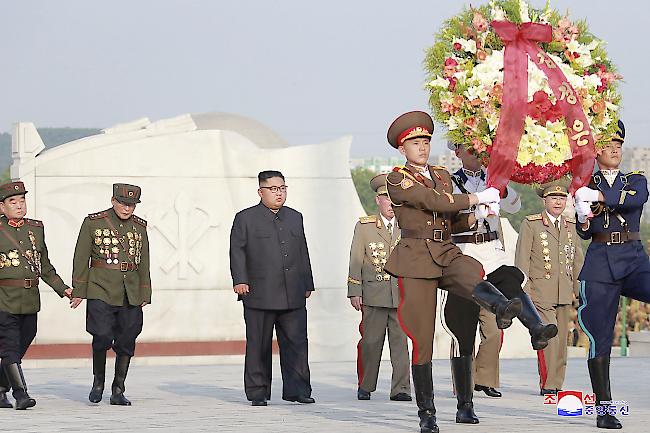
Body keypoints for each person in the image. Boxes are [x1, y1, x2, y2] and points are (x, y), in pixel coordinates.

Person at [383, 111, 557, 433]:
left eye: (425, 141)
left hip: (448, 251)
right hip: (417, 257)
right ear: (402, 148)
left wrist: (477, 214)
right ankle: (427, 412)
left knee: (470, 270)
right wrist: (477, 197)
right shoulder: (398, 179)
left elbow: (455, 219)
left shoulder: (441, 175)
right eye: (414, 143)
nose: (421, 147)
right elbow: (432, 201)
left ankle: (502, 306)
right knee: (422, 341)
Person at [573, 120, 650, 429]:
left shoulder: (636, 178)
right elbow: (587, 231)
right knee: (599, 336)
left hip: (633, 258)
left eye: (618, 145)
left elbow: (634, 199)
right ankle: (604, 409)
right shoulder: (585, 183)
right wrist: (581, 215)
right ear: (596, 151)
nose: (615, 149)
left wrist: (599, 198)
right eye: (608, 145)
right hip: (600, 261)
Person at [229, 170, 315, 407]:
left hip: (293, 293)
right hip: (259, 293)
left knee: (297, 344)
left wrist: (307, 283)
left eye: (283, 188)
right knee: (258, 345)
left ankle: (298, 390)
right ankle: (258, 392)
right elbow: (237, 251)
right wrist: (240, 280)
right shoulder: (245, 218)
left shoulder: (294, 217)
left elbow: (302, 251)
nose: (279, 193)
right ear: (261, 191)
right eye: (274, 189)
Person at [448, 142, 522, 399]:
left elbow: (515, 205)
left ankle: (486, 378)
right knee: (463, 328)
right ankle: (463, 384)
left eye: (479, 149)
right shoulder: (450, 182)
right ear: (457, 153)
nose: (476, 155)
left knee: (492, 328)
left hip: (490, 255)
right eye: (469, 149)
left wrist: (499, 185)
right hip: (464, 255)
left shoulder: (493, 178)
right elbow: (448, 218)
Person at [71, 183, 151, 406]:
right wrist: (79, 290)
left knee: (127, 338)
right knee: (102, 335)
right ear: (113, 200)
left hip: (130, 290)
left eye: (132, 205)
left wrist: (145, 291)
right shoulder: (94, 222)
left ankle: (118, 389)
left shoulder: (139, 227)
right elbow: (81, 257)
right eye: (124, 203)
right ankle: (98, 382)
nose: (127, 209)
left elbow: (144, 261)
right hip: (100, 287)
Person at [0, 180, 73, 410]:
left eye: (22, 200)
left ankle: (1, 388)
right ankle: (21, 394)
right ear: (2, 207)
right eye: (13, 202)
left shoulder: (36, 228)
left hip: (30, 299)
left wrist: (64, 289)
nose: (19, 205)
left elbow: (45, 266)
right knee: (10, 347)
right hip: (4, 298)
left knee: (24, 340)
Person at [515, 180, 584, 396]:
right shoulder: (532, 223)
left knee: (562, 339)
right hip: (540, 290)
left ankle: (557, 382)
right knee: (549, 335)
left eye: (562, 198)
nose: (558, 202)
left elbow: (577, 262)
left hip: (563, 290)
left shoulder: (571, 226)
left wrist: (580, 290)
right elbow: (522, 259)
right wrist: (523, 291)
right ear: (544, 200)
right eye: (553, 198)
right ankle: (548, 384)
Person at [347, 173, 411, 402]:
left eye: (395, 198)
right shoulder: (365, 227)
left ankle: (401, 388)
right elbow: (356, 259)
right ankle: (366, 385)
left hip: (401, 295)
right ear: (378, 200)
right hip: (374, 294)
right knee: (370, 343)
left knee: (401, 344)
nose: (391, 204)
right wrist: (355, 291)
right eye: (386, 198)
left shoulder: (407, 226)